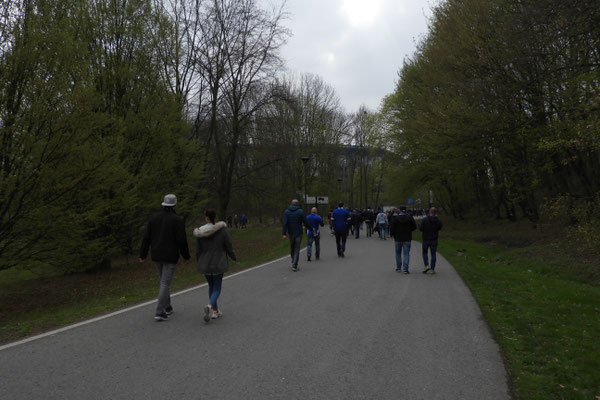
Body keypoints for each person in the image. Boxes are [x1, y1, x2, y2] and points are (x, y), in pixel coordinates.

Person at [139, 194, 190, 321]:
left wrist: (143, 254)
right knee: (165, 282)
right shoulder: (177, 220)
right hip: (170, 255)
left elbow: (146, 238)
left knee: (163, 281)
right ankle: (159, 311)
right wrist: (186, 256)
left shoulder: (153, 219)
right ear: (174, 205)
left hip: (156, 254)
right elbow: (181, 240)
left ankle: (167, 307)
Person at [194, 209, 237, 322]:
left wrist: (199, 261)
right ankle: (210, 306)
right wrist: (233, 257)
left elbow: (198, 250)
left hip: (205, 262)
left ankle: (215, 311)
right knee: (217, 287)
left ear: (206, 218)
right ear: (215, 217)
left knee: (211, 286)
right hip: (218, 261)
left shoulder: (200, 232)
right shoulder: (222, 230)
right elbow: (228, 245)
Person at [282, 199, 311, 271]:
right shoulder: (300, 212)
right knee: (296, 248)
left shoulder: (286, 212)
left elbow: (285, 223)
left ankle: (293, 261)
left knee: (292, 247)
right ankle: (294, 264)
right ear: (297, 204)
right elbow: (305, 222)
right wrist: (310, 228)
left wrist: (284, 233)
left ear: (291, 204)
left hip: (291, 233)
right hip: (298, 232)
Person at [389, 206, 417, 274]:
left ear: (400, 210)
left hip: (398, 238)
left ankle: (398, 267)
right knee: (406, 253)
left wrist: (392, 234)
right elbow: (414, 227)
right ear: (406, 210)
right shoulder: (409, 217)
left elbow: (392, 227)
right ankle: (405, 269)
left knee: (398, 253)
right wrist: (409, 230)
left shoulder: (395, 218)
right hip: (407, 237)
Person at [420, 207, 443, 274]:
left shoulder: (424, 220)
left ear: (430, 212)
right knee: (433, 254)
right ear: (435, 213)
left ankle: (426, 265)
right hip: (434, 239)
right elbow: (440, 227)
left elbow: (421, 228)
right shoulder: (438, 220)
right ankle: (432, 269)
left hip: (426, 238)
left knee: (425, 252)